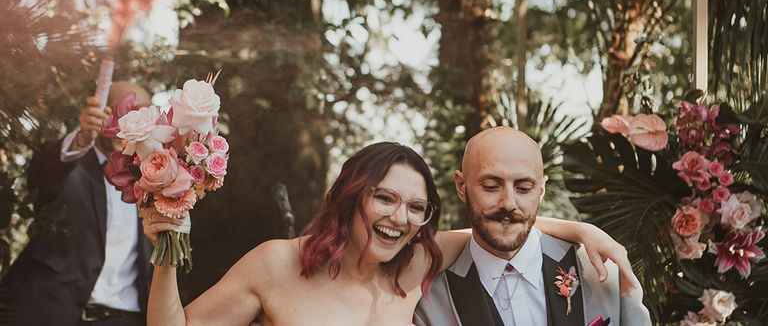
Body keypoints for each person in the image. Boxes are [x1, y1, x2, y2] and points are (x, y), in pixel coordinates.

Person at [141, 141, 634, 326]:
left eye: (416, 207)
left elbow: (500, 222)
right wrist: (165, 255)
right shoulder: (277, 263)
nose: (399, 218)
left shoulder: (415, 259)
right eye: (385, 198)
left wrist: (582, 229)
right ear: (352, 194)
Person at [414, 127, 652, 326]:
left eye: (523, 188)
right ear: (461, 186)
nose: (508, 203)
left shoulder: (603, 271)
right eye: (491, 186)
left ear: (541, 190)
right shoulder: (428, 297)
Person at [4, 81, 154, 325]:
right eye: (121, 112)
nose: (128, 123)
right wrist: (82, 140)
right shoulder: (66, 162)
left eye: (140, 114)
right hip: (47, 312)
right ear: (98, 114)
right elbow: (43, 178)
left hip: (125, 318)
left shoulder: (155, 179)